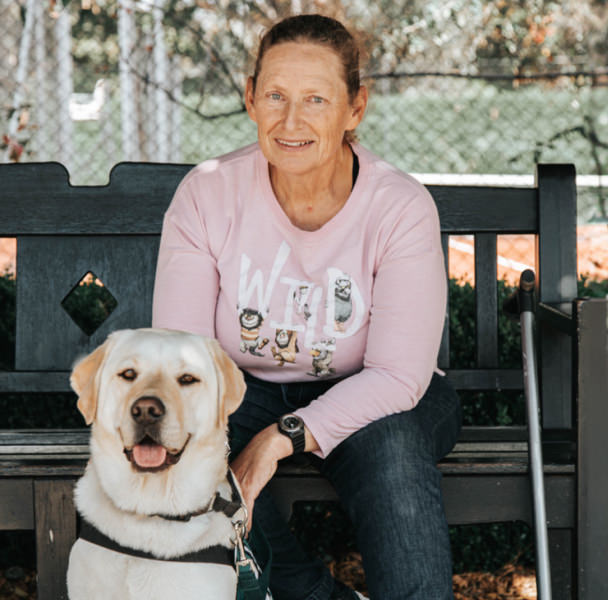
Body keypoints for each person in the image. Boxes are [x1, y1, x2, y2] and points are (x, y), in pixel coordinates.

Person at [152, 13, 462, 600]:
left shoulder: (399, 207)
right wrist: (225, 437)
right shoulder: (208, 193)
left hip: (379, 395)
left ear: (355, 108)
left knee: (393, 448)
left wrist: (279, 439)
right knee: (185, 447)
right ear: (250, 98)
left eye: (316, 99)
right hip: (242, 391)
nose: (291, 121)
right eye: (275, 95)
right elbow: (183, 358)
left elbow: (398, 376)